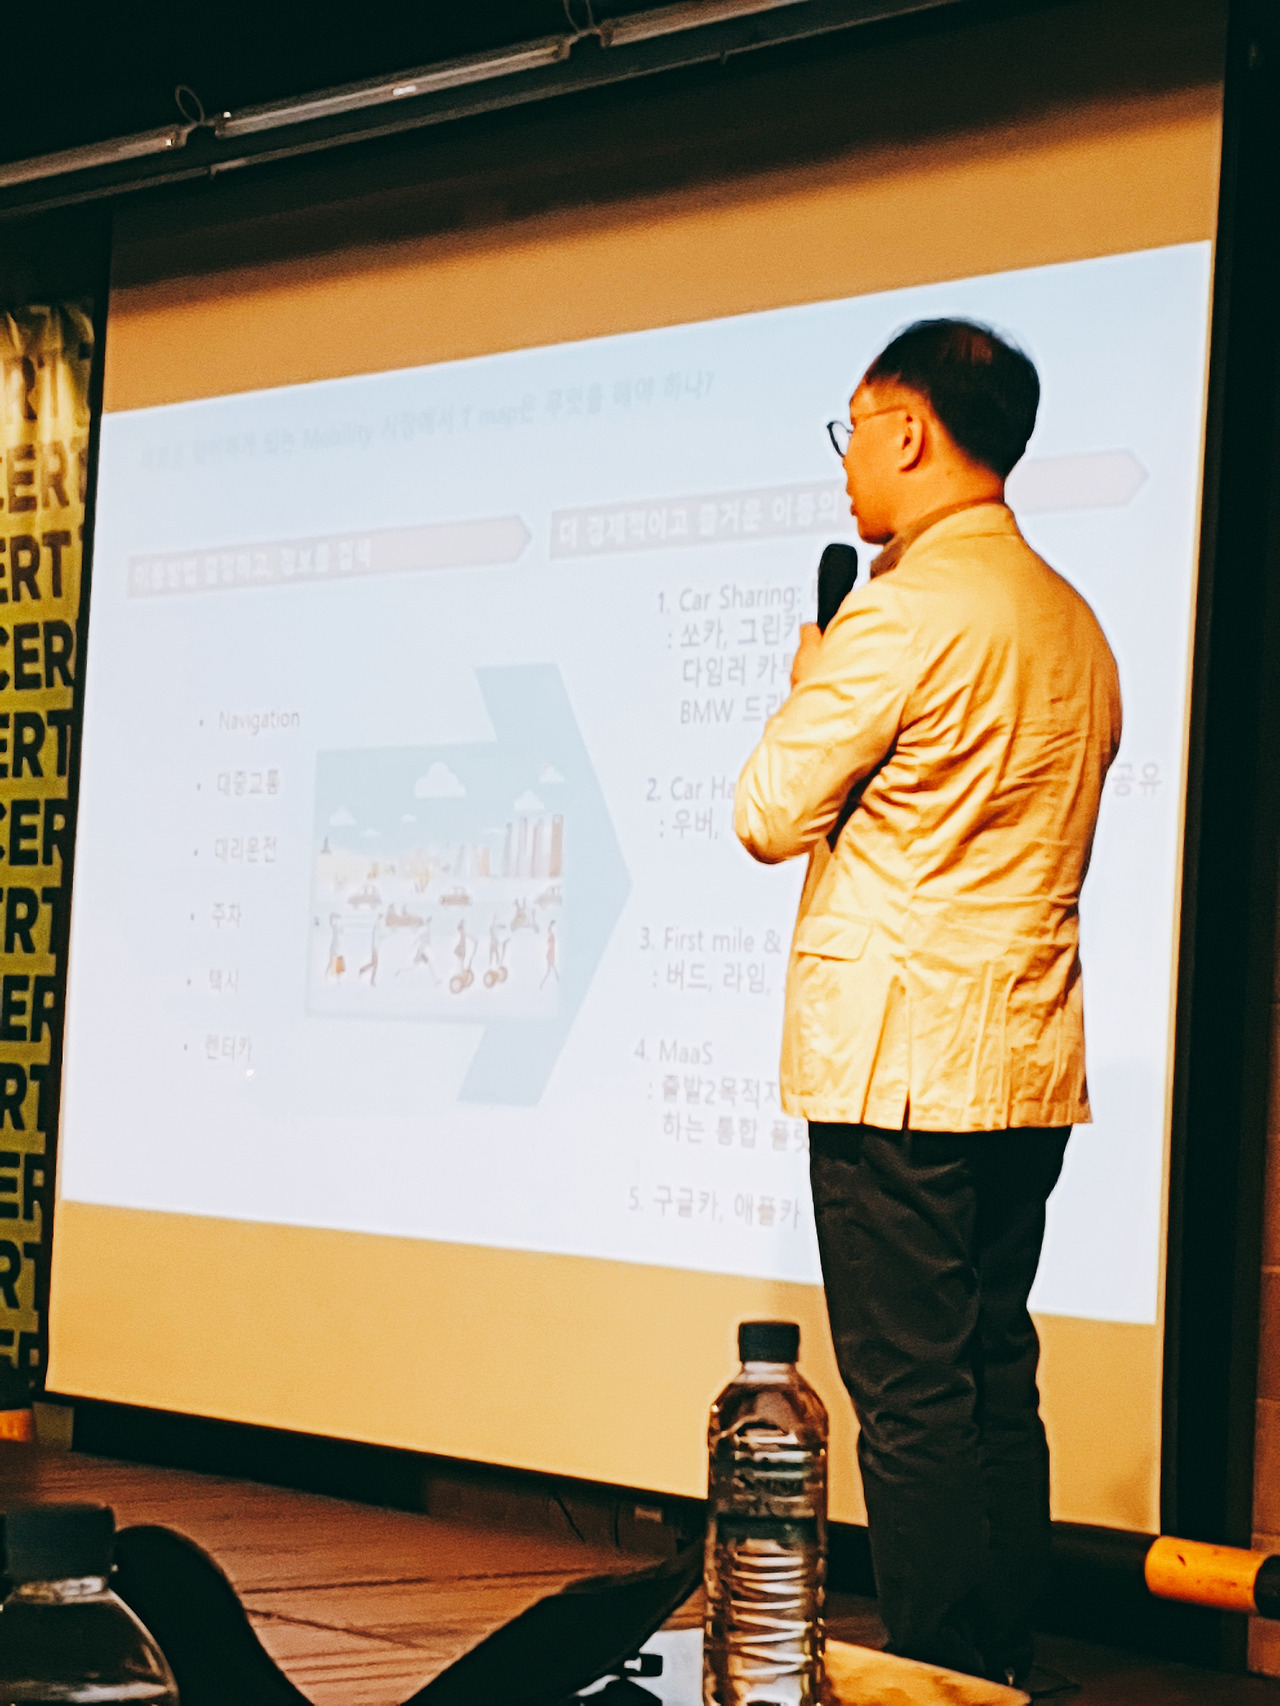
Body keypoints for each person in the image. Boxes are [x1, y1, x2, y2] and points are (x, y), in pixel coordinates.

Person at [734, 319, 1121, 1687]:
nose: (847, 461)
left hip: (897, 1064)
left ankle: (948, 1674)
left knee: (909, 1395)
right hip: (1024, 1057)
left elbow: (768, 809)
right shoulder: (1072, 620)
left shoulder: (900, 613)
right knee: (991, 1371)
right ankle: (1001, 1663)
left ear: (908, 431)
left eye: (854, 430)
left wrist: (811, 685)